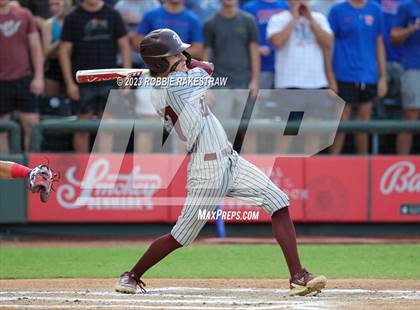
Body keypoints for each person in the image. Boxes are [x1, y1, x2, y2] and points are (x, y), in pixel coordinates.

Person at [114, 28, 327, 297]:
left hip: (229, 159)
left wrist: (176, 64)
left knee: (278, 202)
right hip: (206, 169)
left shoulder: (169, 83)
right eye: (175, 53)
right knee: (180, 236)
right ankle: (132, 275)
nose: (182, 55)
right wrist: (186, 65)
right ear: (160, 62)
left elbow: (194, 66)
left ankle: (298, 276)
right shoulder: (179, 86)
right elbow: (208, 67)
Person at [58, 0, 131, 153]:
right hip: (83, 82)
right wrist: (70, 83)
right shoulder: (73, 17)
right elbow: (63, 51)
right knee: (82, 127)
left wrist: (126, 76)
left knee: (108, 127)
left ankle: (103, 170)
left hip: (109, 80)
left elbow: (124, 45)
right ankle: (83, 170)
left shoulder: (113, 14)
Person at [266, 0, 334, 154]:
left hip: (316, 83)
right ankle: (281, 169)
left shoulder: (319, 18)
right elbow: (277, 42)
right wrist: (295, 18)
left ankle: (309, 171)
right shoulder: (278, 18)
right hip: (289, 83)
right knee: (287, 131)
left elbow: (328, 42)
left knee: (314, 132)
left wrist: (310, 18)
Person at [328, 0, 387, 154]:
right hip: (343, 74)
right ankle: (331, 163)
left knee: (364, 120)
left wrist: (383, 76)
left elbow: (379, 43)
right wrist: (330, 77)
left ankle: (363, 164)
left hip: (368, 75)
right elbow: (327, 45)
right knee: (342, 120)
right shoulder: (337, 10)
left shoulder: (375, 10)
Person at [204, 0, 260, 153]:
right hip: (220, 84)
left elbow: (254, 52)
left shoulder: (248, 21)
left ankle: (251, 170)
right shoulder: (211, 23)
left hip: (244, 82)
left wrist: (255, 80)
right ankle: (221, 171)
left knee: (249, 131)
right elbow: (206, 57)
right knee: (219, 131)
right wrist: (206, 87)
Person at [0, 0, 44, 153]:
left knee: (32, 125)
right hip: (1, 82)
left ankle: (32, 172)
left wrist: (39, 77)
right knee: (1, 129)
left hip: (23, 78)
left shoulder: (24, 14)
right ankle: (4, 175)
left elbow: (36, 46)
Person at [392, 0, 420, 154]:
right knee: (411, 114)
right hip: (414, 66)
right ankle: (402, 161)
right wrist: (411, 28)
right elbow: (394, 37)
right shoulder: (406, 7)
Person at [133, 0, 203, 59]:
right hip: (154, 66)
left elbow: (198, 50)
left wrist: (171, 53)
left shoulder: (193, 19)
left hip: (180, 67)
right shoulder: (151, 15)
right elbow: (136, 42)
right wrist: (159, 51)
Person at [243, 0, 288, 90]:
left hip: (284, 66)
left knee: (284, 101)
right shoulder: (249, 7)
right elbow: (241, 35)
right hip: (261, 66)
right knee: (261, 101)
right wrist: (256, 49)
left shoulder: (285, 5)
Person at [114, 0, 161, 68]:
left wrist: (139, 21)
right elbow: (115, 32)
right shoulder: (120, 5)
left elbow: (160, 31)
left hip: (150, 58)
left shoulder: (153, 3)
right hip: (126, 57)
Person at [41, 0, 71, 98]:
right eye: (51, 5)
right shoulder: (48, 24)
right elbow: (47, 51)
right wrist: (63, 37)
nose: (53, 8)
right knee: (52, 101)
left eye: (57, 4)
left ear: (66, 4)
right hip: (54, 65)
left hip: (73, 64)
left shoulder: (74, 21)